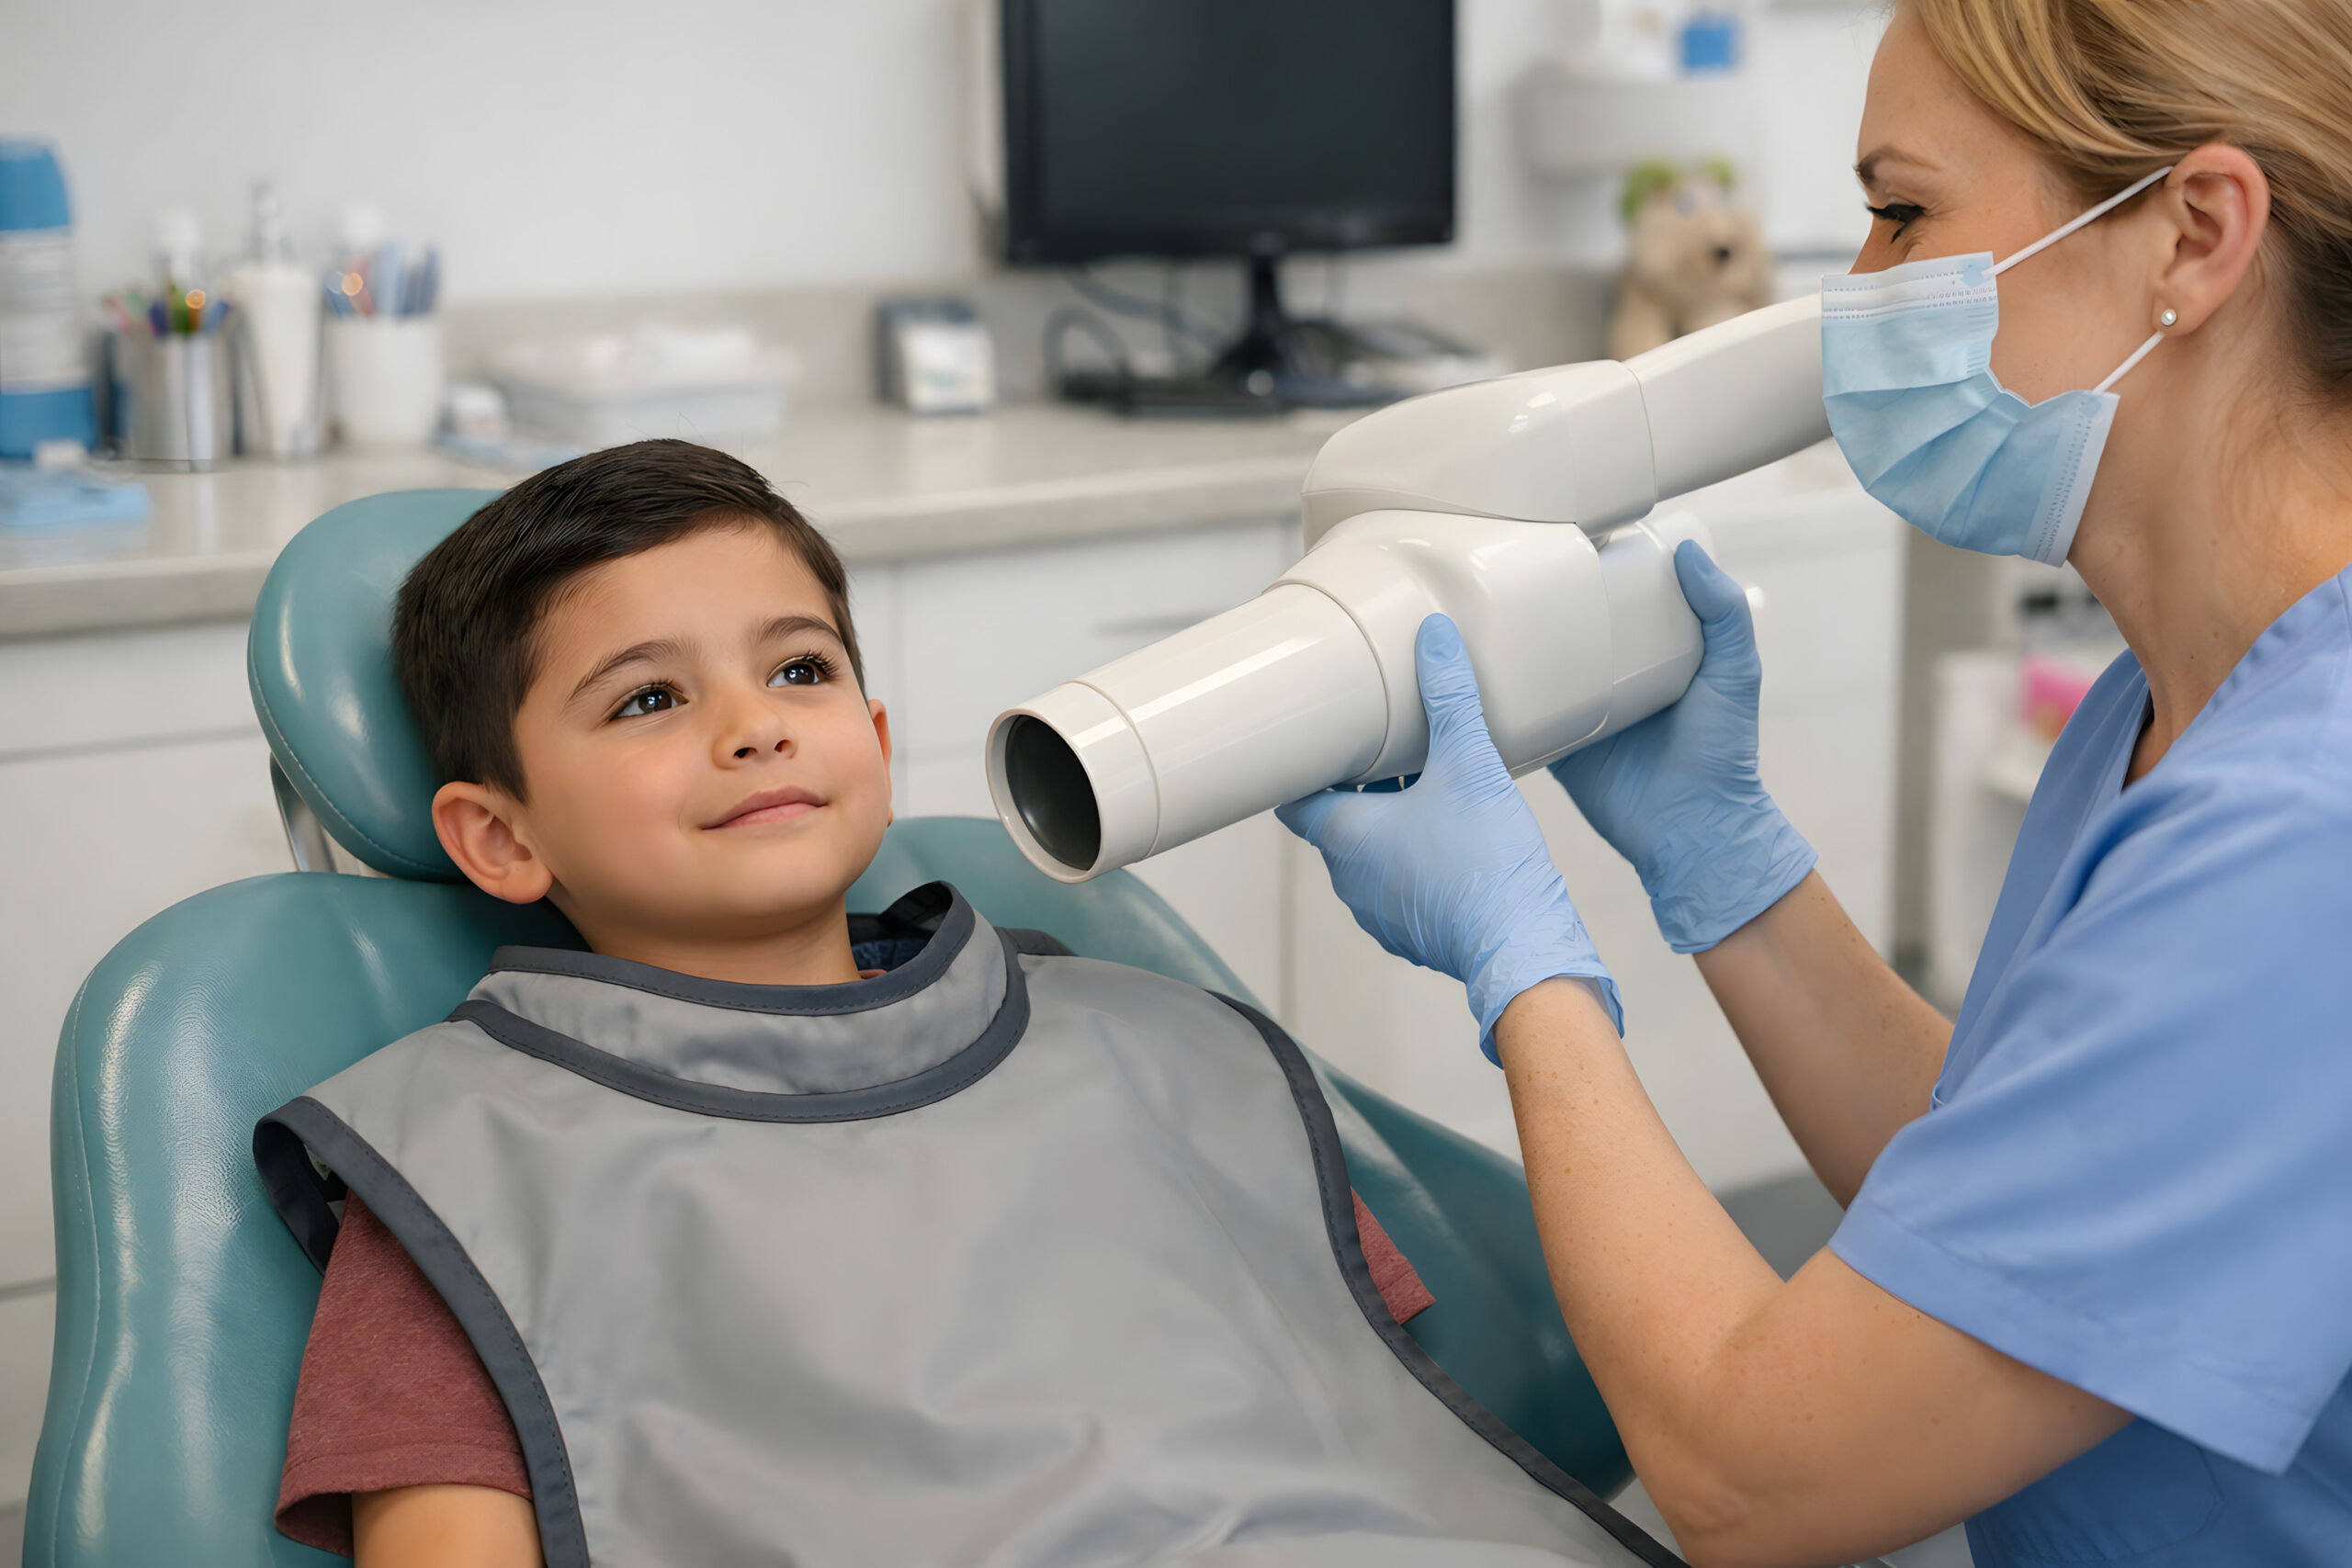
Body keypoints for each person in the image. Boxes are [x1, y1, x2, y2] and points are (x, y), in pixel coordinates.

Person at [1279, 3, 2352, 1564]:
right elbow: (2017, 1197)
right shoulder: (2169, 704)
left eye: (1901, 214)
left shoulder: (2300, 839)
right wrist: (1728, 868)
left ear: (2193, 234)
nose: (1856, 300)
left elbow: (1750, 1476)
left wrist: (1528, 966)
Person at [254, 439, 1668, 1568]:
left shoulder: (1143, 1038)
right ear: (500, 837)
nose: (753, 724)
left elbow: (1384, 1429)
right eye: (646, 701)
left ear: (871, 742)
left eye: (797, 668)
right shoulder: (463, 1174)